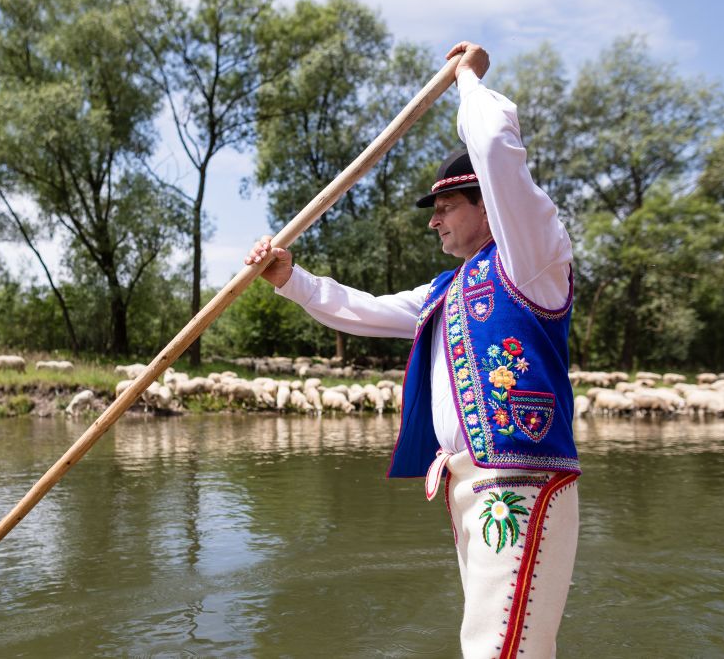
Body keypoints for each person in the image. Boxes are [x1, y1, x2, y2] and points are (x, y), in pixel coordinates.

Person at [245, 41, 580, 658]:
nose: (434, 221)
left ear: (487, 203)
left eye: (446, 206)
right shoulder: (445, 290)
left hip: (521, 481)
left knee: (501, 648)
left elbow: (496, 150)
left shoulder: (532, 257)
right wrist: (290, 279)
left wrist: (470, 81)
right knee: (497, 642)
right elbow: (362, 309)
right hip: (465, 484)